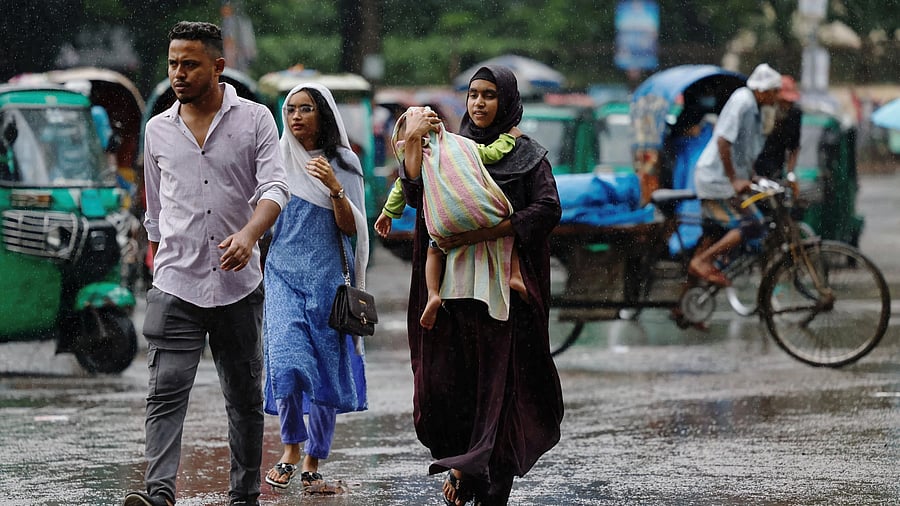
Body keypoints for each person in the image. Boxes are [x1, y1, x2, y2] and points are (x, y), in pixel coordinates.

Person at [124, 21, 289, 506]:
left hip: (240, 286)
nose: (178, 73)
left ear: (219, 67)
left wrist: (250, 235)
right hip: (176, 282)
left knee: (243, 399)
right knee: (165, 391)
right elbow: (154, 209)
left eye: (190, 64)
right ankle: (158, 494)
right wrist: (157, 263)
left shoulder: (256, 119)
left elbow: (275, 189)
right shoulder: (157, 130)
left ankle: (244, 496)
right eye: (174, 63)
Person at [398, 65, 564, 506]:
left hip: (504, 297)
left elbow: (547, 210)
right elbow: (418, 198)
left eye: (489, 95)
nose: (479, 103)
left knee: (499, 393)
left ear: (506, 101)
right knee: (449, 386)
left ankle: (492, 485)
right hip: (453, 297)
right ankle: (464, 464)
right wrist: (412, 149)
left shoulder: (530, 157)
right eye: (473, 95)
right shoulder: (450, 151)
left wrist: (484, 232)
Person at [261, 82, 368, 495]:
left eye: (305, 109)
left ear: (323, 114)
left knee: (324, 370)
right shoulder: (275, 160)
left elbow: (352, 228)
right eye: (290, 110)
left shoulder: (344, 163)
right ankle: (290, 447)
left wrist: (333, 188)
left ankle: (312, 461)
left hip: (327, 283)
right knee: (286, 360)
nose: (296, 117)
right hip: (282, 275)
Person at [375, 119, 523, 329]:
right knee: (508, 230)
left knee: (434, 252)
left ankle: (434, 294)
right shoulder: (464, 145)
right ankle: (515, 275)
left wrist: (388, 213)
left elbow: (401, 185)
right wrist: (510, 137)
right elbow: (492, 153)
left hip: (446, 221)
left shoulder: (416, 158)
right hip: (483, 212)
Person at [689, 63, 782, 287]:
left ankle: (685, 304)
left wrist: (752, 177)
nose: (776, 96)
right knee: (753, 224)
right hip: (716, 180)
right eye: (774, 91)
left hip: (724, 181)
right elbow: (724, 140)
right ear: (762, 90)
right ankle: (702, 262)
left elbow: (743, 151)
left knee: (710, 237)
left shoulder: (755, 108)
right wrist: (734, 179)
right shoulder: (743, 101)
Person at [754, 75, 802, 180]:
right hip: (756, 165)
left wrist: (790, 174)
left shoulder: (795, 114)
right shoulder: (762, 109)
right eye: (784, 101)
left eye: (790, 102)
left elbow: (794, 147)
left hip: (776, 167)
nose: (786, 106)